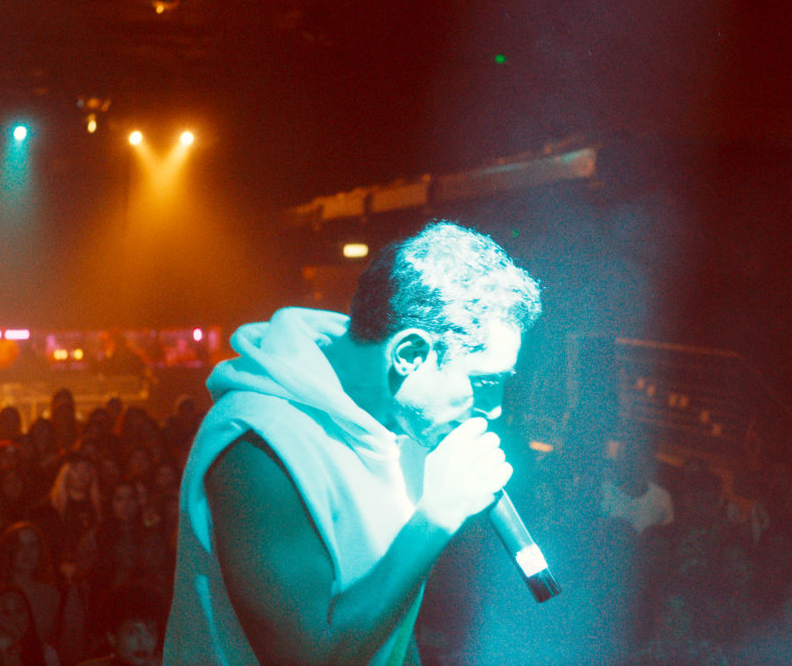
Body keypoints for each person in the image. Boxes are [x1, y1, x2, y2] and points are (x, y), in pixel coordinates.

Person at [164, 220, 541, 664]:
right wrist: (437, 516)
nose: (494, 408)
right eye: (484, 381)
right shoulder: (261, 445)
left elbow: (388, 625)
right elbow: (309, 659)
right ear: (410, 355)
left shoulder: (406, 425)